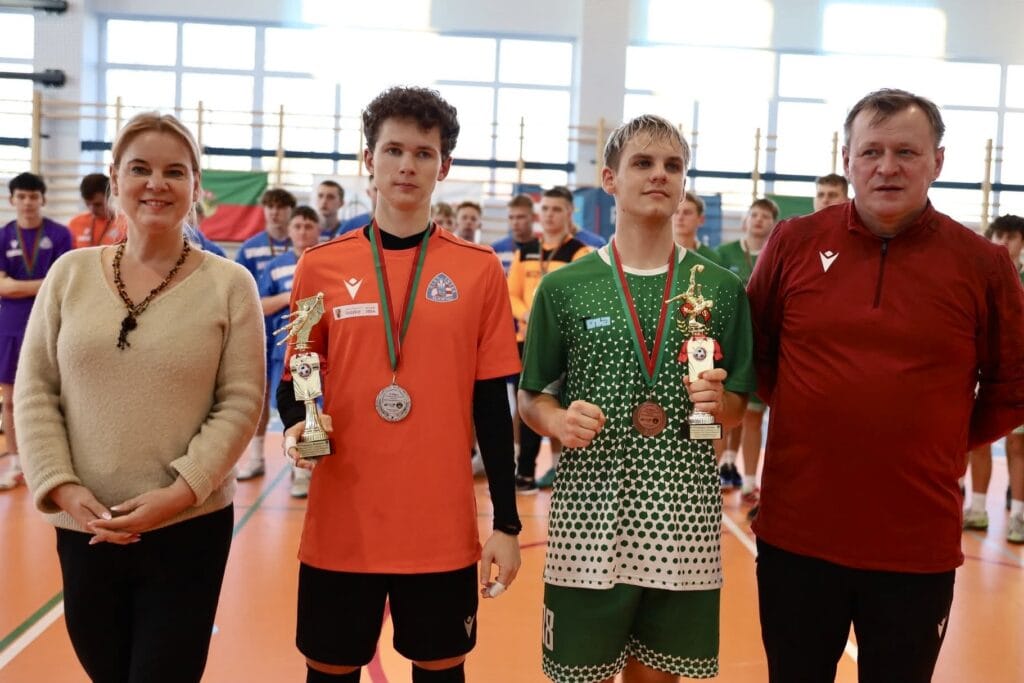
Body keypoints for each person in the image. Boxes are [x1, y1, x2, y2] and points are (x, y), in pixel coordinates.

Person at [747, 88, 1024, 683]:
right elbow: (758, 356)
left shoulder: (983, 264)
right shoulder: (793, 242)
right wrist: (816, 410)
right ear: (847, 160)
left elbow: (1012, 385)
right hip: (798, 534)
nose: (887, 167)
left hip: (916, 545)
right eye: (871, 151)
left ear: (937, 162)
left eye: (906, 152)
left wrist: (941, 437)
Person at [277, 86, 522, 683]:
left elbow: (493, 404)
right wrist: (301, 424)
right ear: (369, 159)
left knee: (439, 672)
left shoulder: (480, 270)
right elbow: (299, 371)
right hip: (342, 526)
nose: (407, 165)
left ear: (445, 166)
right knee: (329, 672)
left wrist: (507, 524)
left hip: (439, 529)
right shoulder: (319, 266)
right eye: (393, 150)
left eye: (423, 153)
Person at [15, 112, 266, 682]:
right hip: (86, 528)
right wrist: (64, 488)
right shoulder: (68, 275)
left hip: (189, 527)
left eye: (175, 171)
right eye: (140, 169)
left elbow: (240, 401)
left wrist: (180, 493)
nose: (157, 183)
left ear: (196, 187)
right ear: (115, 179)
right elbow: (36, 390)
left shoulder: (231, 285)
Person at [518, 114, 756, 683]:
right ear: (610, 179)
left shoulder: (721, 289)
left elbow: (737, 407)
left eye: (673, 165)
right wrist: (558, 421)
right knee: (581, 676)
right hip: (586, 519)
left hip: (682, 519)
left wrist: (717, 402)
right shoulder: (564, 287)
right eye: (643, 163)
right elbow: (531, 399)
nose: (659, 175)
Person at [507, 186, 590, 494]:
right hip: (526, 338)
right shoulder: (526, 250)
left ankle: (565, 470)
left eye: (557, 209)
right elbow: (510, 293)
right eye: (545, 209)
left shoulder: (580, 252)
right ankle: (524, 471)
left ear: (570, 212)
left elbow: (579, 296)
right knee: (527, 402)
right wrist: (528, 314)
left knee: (562, 403)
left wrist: (550, 321)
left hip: (562, 341)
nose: (550, 215)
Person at [0, 172, 72, 490]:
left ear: (43, 199)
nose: (28, 202)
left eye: (33, 196)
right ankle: (16, 464)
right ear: (12, 200)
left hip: (50, 322)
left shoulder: (59, 235)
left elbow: (62, 283)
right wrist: (41, 283)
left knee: (57, 397)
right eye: (22, 196)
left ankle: (58, 462)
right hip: (10, 326)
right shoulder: (3, 236)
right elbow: (2, 287)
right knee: (10, 400)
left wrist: (16, 285)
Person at [964, 213, 1024, 543]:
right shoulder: (980, 276)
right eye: (998, 234)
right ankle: (977, 508)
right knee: (978, 439)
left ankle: (1019, 516)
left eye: (1011, 236)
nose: (1004, 241)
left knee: (1018, 444)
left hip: (1018, 373)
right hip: (982, 369)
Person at [715, 198, 778, 511]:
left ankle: (751, 481)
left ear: (773, 224)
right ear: (745, 220)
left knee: (753, 416)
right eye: (754, 214)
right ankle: (714, 472)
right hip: (726, 345)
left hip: (759, 347)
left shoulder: (776, 254)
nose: (759, 220)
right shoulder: (722, 254)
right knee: (717, 411)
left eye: (765, 216)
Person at [258, 205, 321, 498]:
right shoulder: (276, 266)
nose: (303, 232)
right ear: (289, 230)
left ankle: (312, 470)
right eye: (297, 226)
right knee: (293, 410)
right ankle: (300, 470)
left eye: (309, 226)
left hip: (319, 350)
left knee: (316, 409)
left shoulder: (327, 261)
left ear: (318, 230)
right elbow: (260, 304)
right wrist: (288, 296)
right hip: (286, 351)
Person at [235, 187, 296, 480]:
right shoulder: (250, 248)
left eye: (281, 207)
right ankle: (256, 458)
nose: (275, 212)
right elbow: (240, 292)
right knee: (259, 397)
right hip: (261, 333)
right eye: (270, 206)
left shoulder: (303, 244)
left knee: (302, 395)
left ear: (290, 211)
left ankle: (300, 465)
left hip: (294, 333)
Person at [67, 173, 124, 248]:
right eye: (88, 204)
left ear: (110, 198)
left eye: (98, 204)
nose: (92, 209)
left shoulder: (125, 224)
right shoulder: (75, 223)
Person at [672, 191, 723, 266]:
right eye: (676, 212)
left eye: (687, 213)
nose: (680, 217)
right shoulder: (657, 252)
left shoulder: (712, 259)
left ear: (701, 220)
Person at [491, 194, 537, 275]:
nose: (515, 222)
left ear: (533, 217)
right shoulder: (496, 250)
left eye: (520, 217)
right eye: (511, 217)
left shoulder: (543, 250)